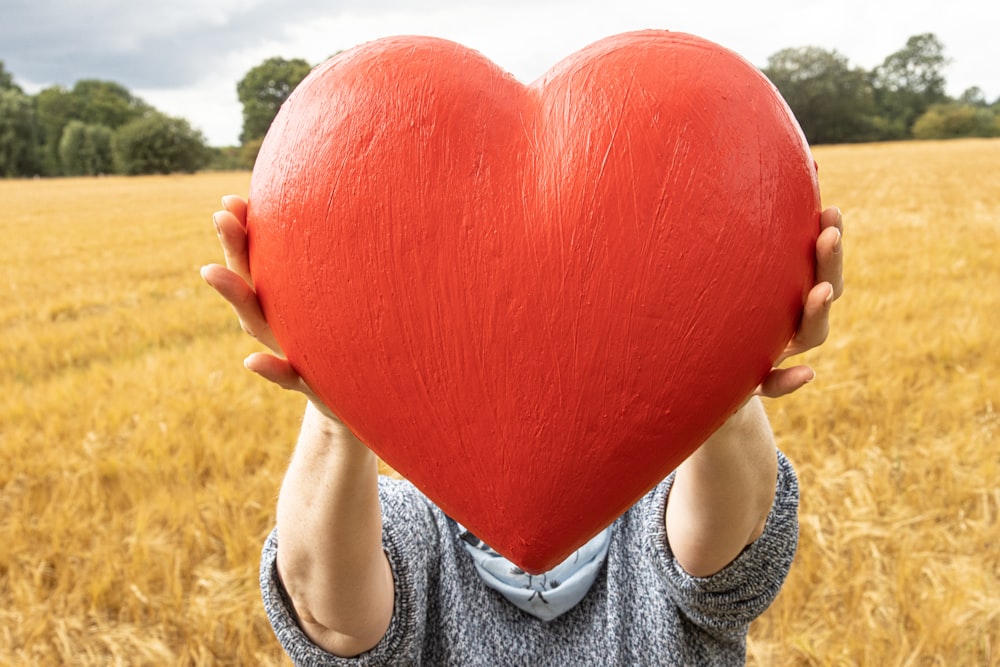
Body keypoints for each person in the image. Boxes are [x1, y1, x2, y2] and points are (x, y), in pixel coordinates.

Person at [202, 197, 844, 666]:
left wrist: (726, 354)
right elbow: (333, 625)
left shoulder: (658, 500)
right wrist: (338, 398)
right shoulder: (402, 520)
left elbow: (728, 552)